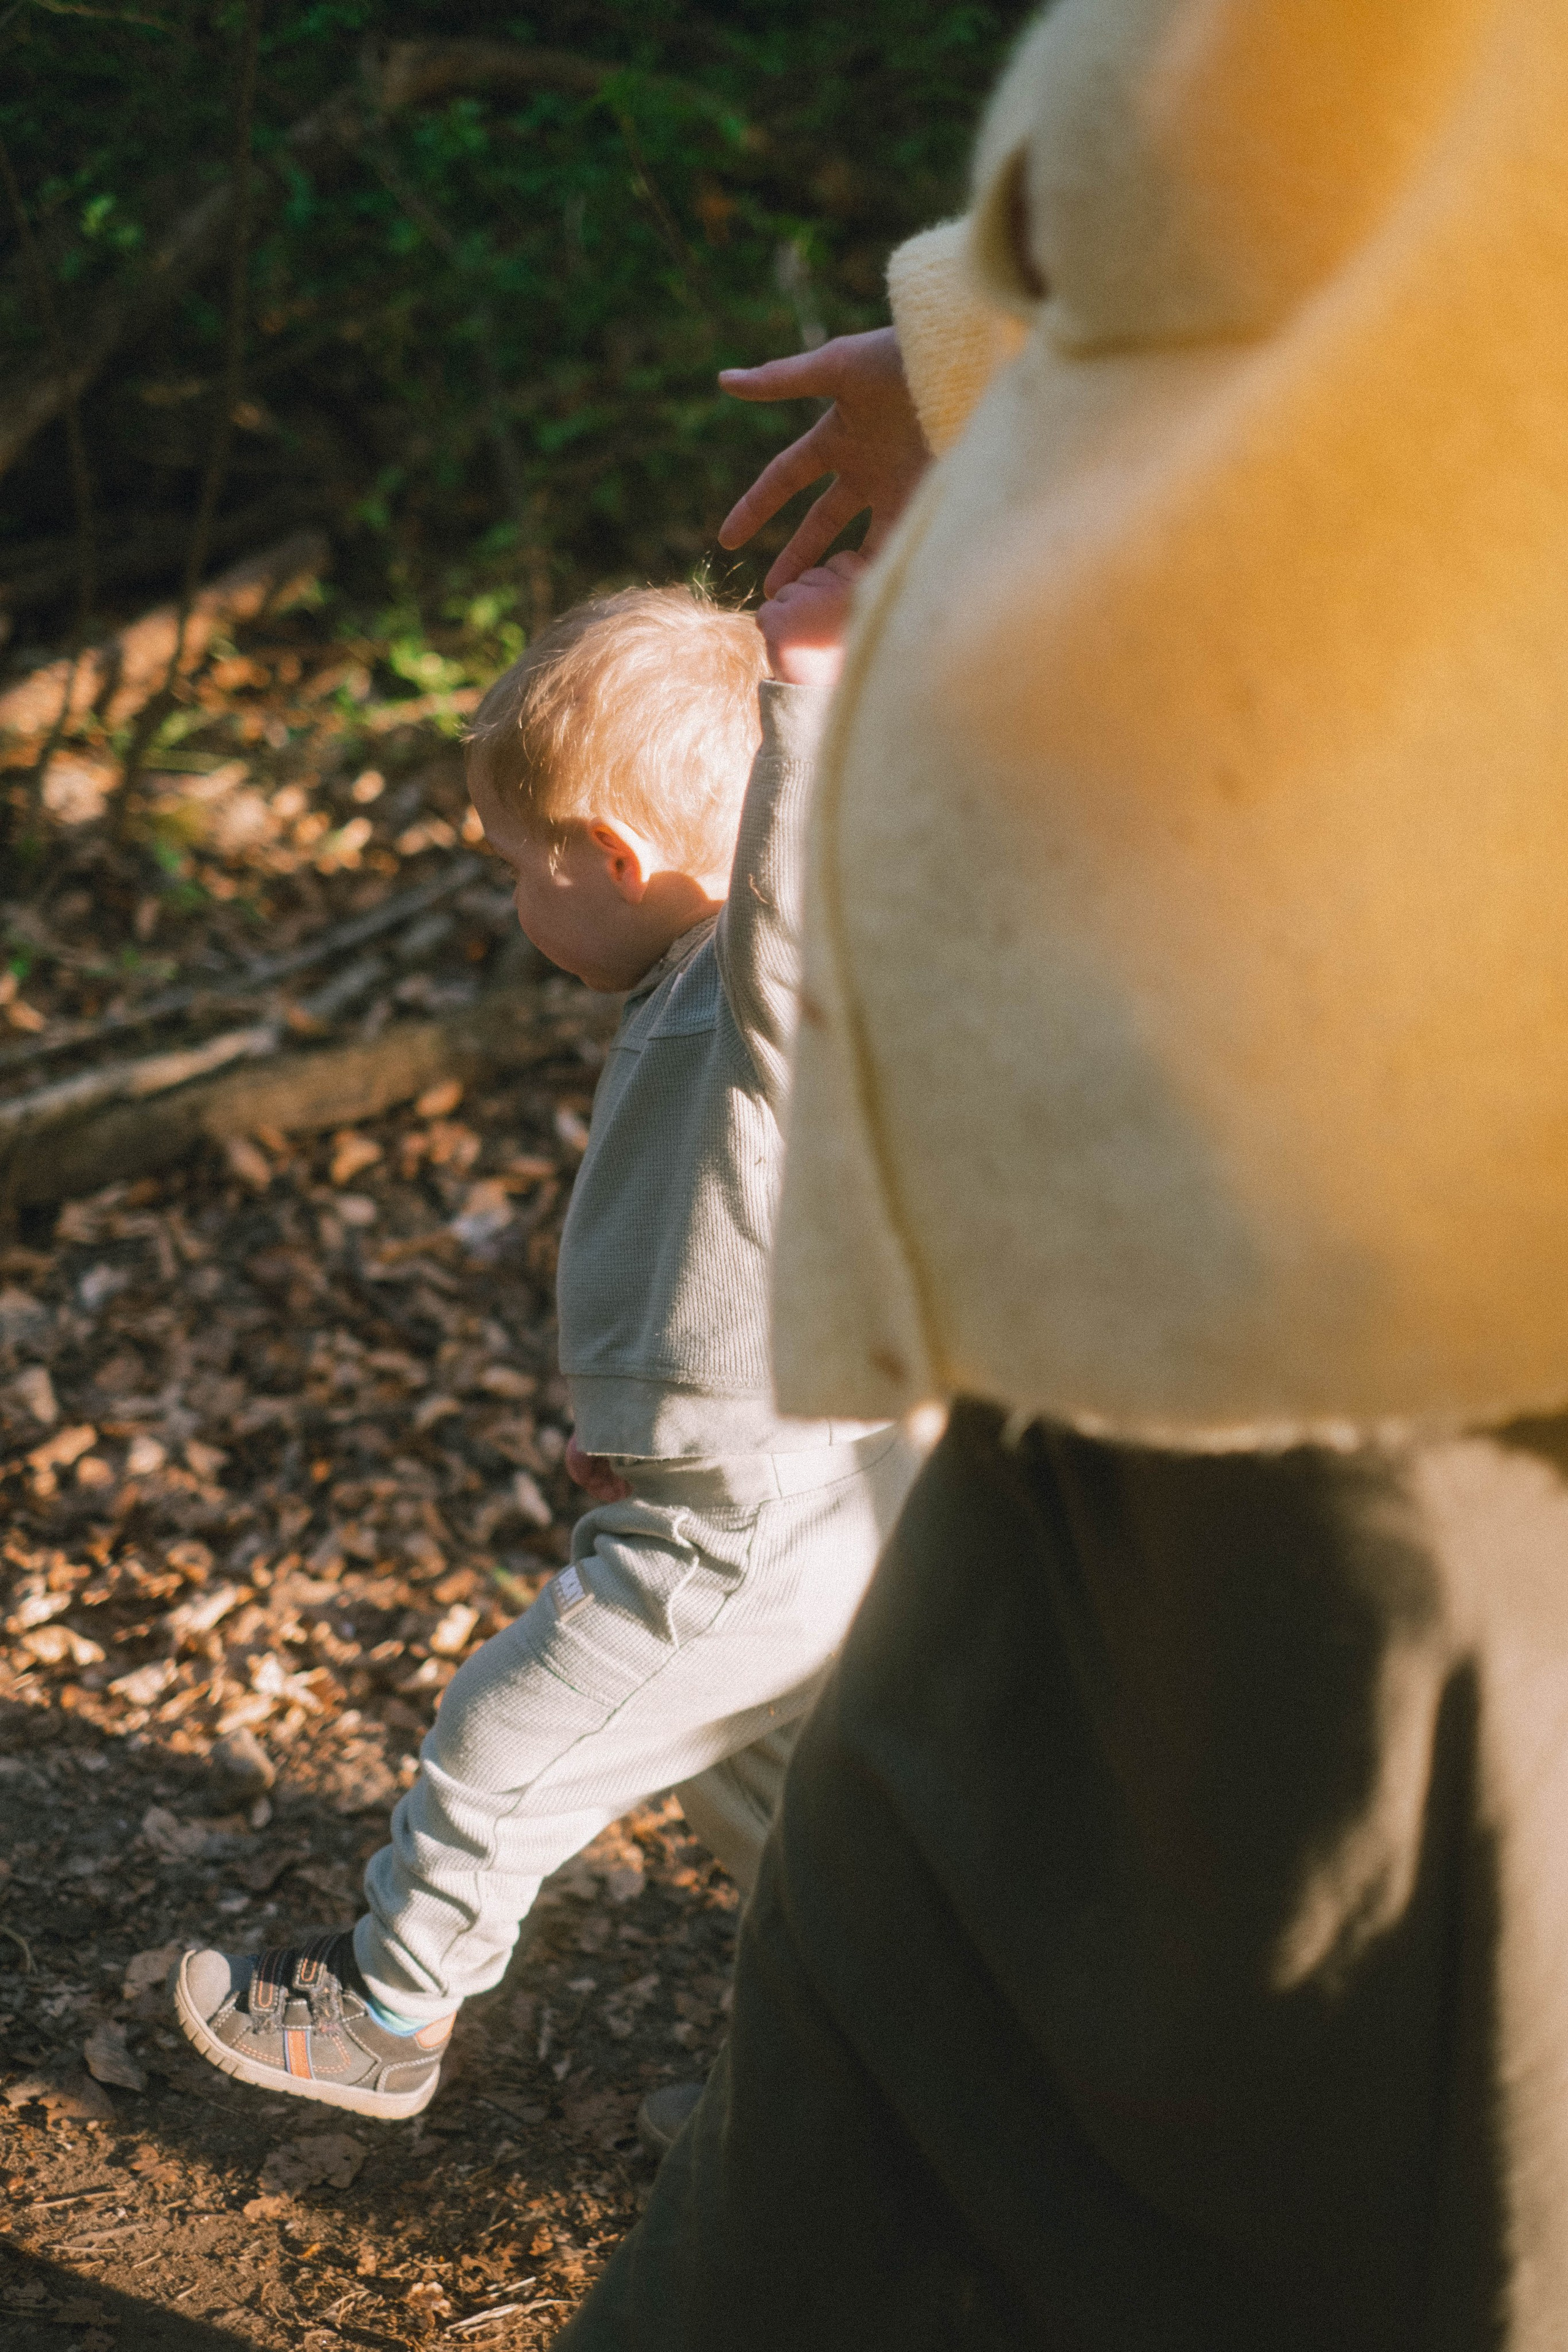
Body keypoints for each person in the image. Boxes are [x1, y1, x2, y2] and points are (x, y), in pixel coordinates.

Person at [559, 4, 1568, 2345]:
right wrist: (1002, 349)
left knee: (1370, 2105)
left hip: (1392, 1276)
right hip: (1156, 1224)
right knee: (915, 2007)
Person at [173, 576, 917, 2124]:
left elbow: (793, 897)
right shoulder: (681, 998)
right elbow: (702, 1251)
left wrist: (805, 684)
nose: (513, 903)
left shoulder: (757, 987)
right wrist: (629, 1420)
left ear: (611, 858)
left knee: (508, 1737)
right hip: (760, 1481)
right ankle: (895, 2091)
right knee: (787, 1805)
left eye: (516, 868)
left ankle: (384, 2017)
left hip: (758, 1510)